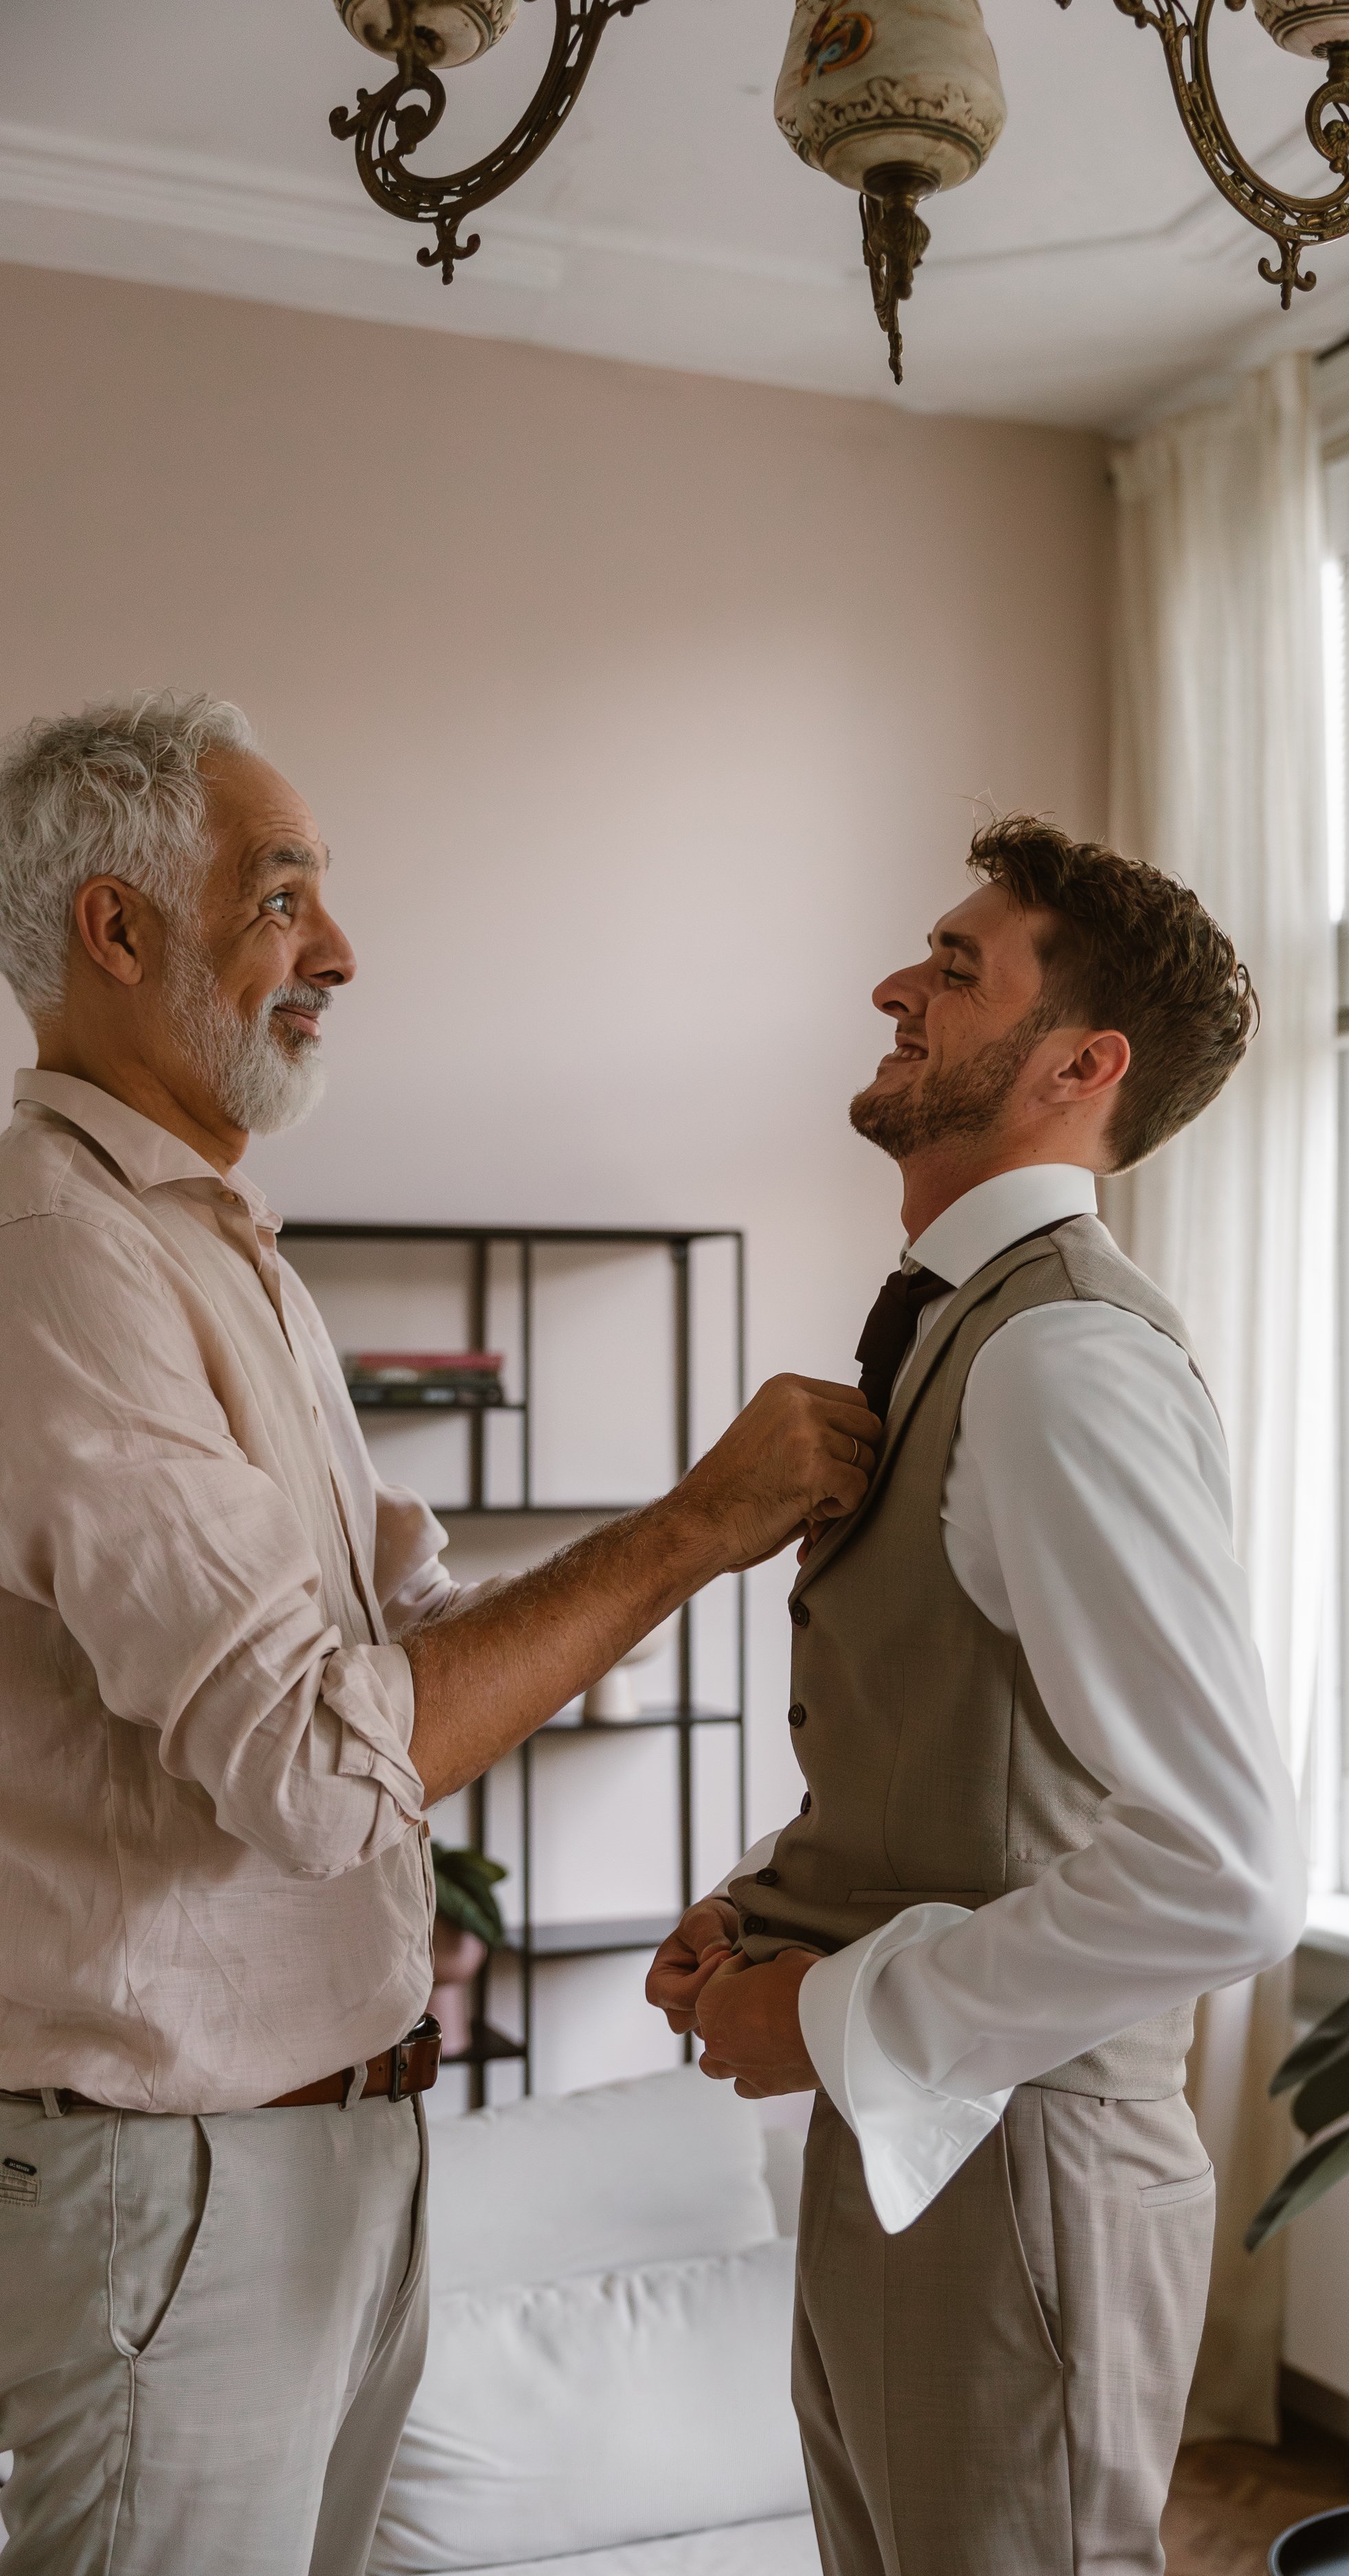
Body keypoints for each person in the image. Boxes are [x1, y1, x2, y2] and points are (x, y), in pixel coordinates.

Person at [0, 692, 879, 2576]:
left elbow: (406, 1621)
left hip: (325, 2155)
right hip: (179, 2189)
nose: (337, 949)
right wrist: (690, 1526)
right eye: (283, 892)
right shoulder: (64, 1260)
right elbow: (324, 1770)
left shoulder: (214, 1243)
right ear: (118, 928)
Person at [647, 815, 1305, 2576]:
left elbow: (1221, 1869)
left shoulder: (1061, 1359)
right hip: (919, 2145)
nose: (894, 987)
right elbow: (969, 1753)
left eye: (956, 968)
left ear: (1080, 1066)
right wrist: (762, 1922)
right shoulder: (965, 1330)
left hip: (1018, 2170)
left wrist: (831, 2016)